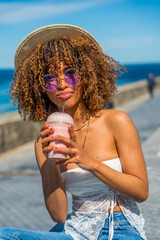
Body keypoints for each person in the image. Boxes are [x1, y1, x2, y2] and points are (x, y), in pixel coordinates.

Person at [0, 24, 148, 240]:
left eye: (70, 74)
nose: (61, 84)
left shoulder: (116, 121)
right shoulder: (43, 143)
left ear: (86, 75)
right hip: (76, 231)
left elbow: (141, 192)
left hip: (121, 230)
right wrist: (51, 163)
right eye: (50, 78)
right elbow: (59, 215)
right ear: (40, 88)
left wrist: (89, 162)